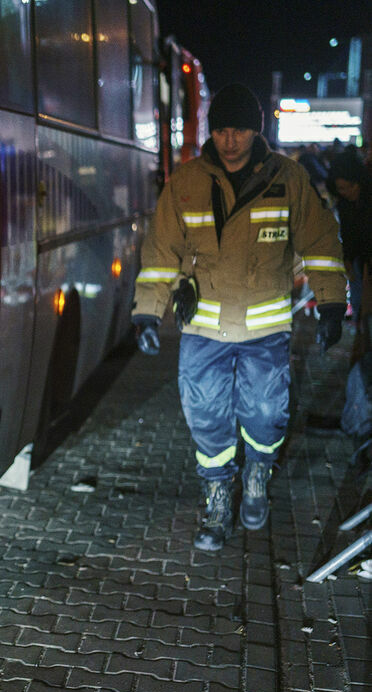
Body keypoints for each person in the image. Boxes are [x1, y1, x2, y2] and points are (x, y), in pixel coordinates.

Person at [132, 83, 346, 551]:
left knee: (266, 413)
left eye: (240, 130)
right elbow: (161, 252)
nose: (230, 140)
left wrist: (331, 304)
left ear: (257, 131)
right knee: (206, 416)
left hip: (265, 328)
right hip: (203, 329)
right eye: (223, 130)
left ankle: (257, 475)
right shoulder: (186, 182)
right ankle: (217, 501)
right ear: (213, 131)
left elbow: (321, 243)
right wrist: (148, 313)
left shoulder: (287, 179)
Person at [326, 153, 372, 338]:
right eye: (341, 189)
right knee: (359, 303)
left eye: (349, 187)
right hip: (358, 261)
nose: (346, 192)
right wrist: (347, 259)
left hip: (367, 260)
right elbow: (347, 234)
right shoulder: (344, 204)